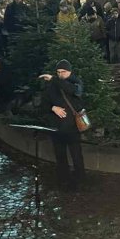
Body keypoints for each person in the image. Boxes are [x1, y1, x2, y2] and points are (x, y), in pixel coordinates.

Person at [40, 60, 86, 189]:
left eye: (63, 72)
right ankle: (63, 178)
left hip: (72, 128)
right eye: (58, 72)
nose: (61, 74)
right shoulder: (52, 85)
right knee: (60, 156)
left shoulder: (75, 82)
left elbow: (73, 90)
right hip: (57, 127)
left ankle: (80, 179)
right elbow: (43, 104)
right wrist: (53, 108)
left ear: (70, 72)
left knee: (76, 155)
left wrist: (54, 79)